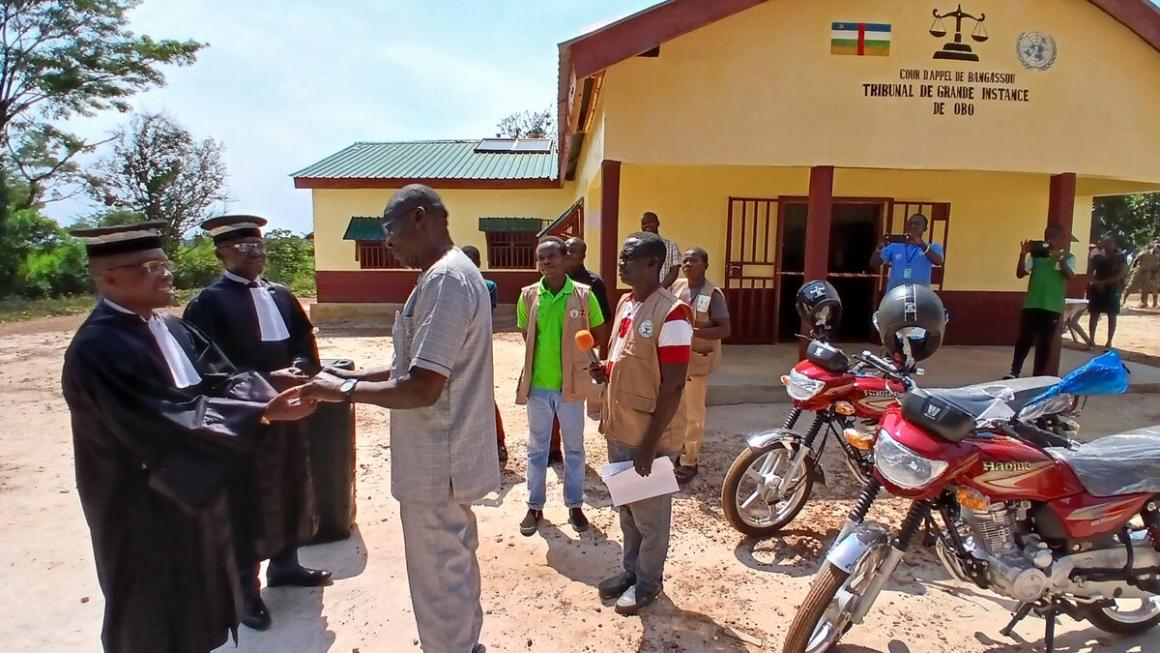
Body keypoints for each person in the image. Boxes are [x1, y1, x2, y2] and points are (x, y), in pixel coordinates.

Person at [61, 222, 315, 653]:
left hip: (187, 494)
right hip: (139, 503)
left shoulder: (171, 328)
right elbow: (163, 420)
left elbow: (221, 378)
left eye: (164, 263)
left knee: (198, 595)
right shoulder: (97, 348)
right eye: (148, 267)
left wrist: (269, 391)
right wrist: (260, 410)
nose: (165, 274)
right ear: (108, 278)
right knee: (151, 606)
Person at [301, 185, 498, 653]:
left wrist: (345, 391)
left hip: (437, 463)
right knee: (453, 562)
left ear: (420, 218)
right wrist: (337, 378)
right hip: (443, 459)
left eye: (389, 229)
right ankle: (465, 644)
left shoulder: (446, 280)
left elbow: (422, 388)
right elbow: (414, 364)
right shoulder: (444, 275)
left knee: (438, 576)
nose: (387, 242)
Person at [183, 215, 330, 631]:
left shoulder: (281, 294)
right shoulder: (208, 303)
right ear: (222, 253)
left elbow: (304, 342)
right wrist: (266, 383)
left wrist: (302, 368)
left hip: (290, 412)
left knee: (290, 485)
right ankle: (245, 591)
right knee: (246, 499)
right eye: (245, 248)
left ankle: (286, 565)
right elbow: (208, 369)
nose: (256, 254)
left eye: (260, 247)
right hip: (245, 419)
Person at [589, 232, 692, 615]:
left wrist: (650, 445)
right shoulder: (626, 303)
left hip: (649, 434)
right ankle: (630, 572)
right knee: (628, 510)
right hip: (619, 426)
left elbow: (675, 383)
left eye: (629, 258)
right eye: (621, 256)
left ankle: (649, 583)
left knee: (650, 517)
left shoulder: (673, 313)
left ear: (652, 264)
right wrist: (606, 370)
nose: (621, 263)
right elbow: (627, 357)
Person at [515, 237, 607, 536]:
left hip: (572, 386)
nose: (546, 263)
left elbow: (599, 331)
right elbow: (526, 332)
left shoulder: (583, 295)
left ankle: (575, 504)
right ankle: (535, 505)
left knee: (575, 449)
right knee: (537, 449)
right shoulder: (528, 295)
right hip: (539, 387)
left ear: (565, 258)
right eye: (540, 259)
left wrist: (584, 360)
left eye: (551, 257)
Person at [669, 247, 731, 484]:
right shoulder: (678, 287)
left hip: (697, 359)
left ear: (705, 265)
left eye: (693, 260)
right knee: (676, 409)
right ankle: (677, 450)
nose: (688, 264)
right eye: (685, 260)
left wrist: (694, 331)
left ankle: (689, 460)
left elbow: (725, 329)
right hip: (675, 358)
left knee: (694, 413)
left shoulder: (712, 293)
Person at [1007, 225, 1077, 378]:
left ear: (1061, 239)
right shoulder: (1037, 255)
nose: (1049, 241)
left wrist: (1059, 258)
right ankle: (1014, 371)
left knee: (1045, 342)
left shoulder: (1069, 257)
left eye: (1053, 237)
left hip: (1052, 307)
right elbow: (1020, 274)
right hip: (1032, 303)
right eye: (1047, 237)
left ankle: (1038, 375)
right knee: (1024, 339)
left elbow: (1070, 276)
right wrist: (1023, 254)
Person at [463, 244, 508, 464]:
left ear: (479, 263)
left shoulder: (487, 286)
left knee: (483, 393)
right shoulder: (452, 285)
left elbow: (483, 313)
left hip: (478, 345)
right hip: (456, 347)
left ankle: (498, 440)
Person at [870, 213, 946, 292]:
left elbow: (938, 261)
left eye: (916, 224)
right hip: (895, 295)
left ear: (924, 228)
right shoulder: (894, 247)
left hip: (920, 296)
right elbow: (874, 263)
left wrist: (922, 245)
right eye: (910, 224)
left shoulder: (933, 247)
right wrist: (879, 247)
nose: (912, 226)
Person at [1087, 233, 1127, 349]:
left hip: (1113, 289)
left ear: (1114, 244)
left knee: (1112, 315)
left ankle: (1109, 341)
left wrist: (1103, 283)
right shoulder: (1097, 257)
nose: (1107, 244)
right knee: (1094, 314)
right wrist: (1094, 283)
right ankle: (1091, 339)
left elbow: (1121, 274)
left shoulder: (1120, 257)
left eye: (1109, 242)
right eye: (1105, 242)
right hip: (1098, 289)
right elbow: (1089, 272)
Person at [641, 212, 681, 288]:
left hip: (665, 293)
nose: (647, 225)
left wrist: (659, 290)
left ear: (657, 223)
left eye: (650, 222)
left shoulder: (671, 246)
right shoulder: (638, 248)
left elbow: (674, 272)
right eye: (644, 223)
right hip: (643, 294)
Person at [1127, 241, 1159, 308]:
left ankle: (1151, 303)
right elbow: (1136, 260)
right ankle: (1123, 301)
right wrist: (1132, 268)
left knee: (1151, 287)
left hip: (1152, 272)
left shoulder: (1157, 256)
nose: (1158, 248)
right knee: (1131, 285)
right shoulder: (1145, 253)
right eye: (1157, 246)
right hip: (1141, 270)